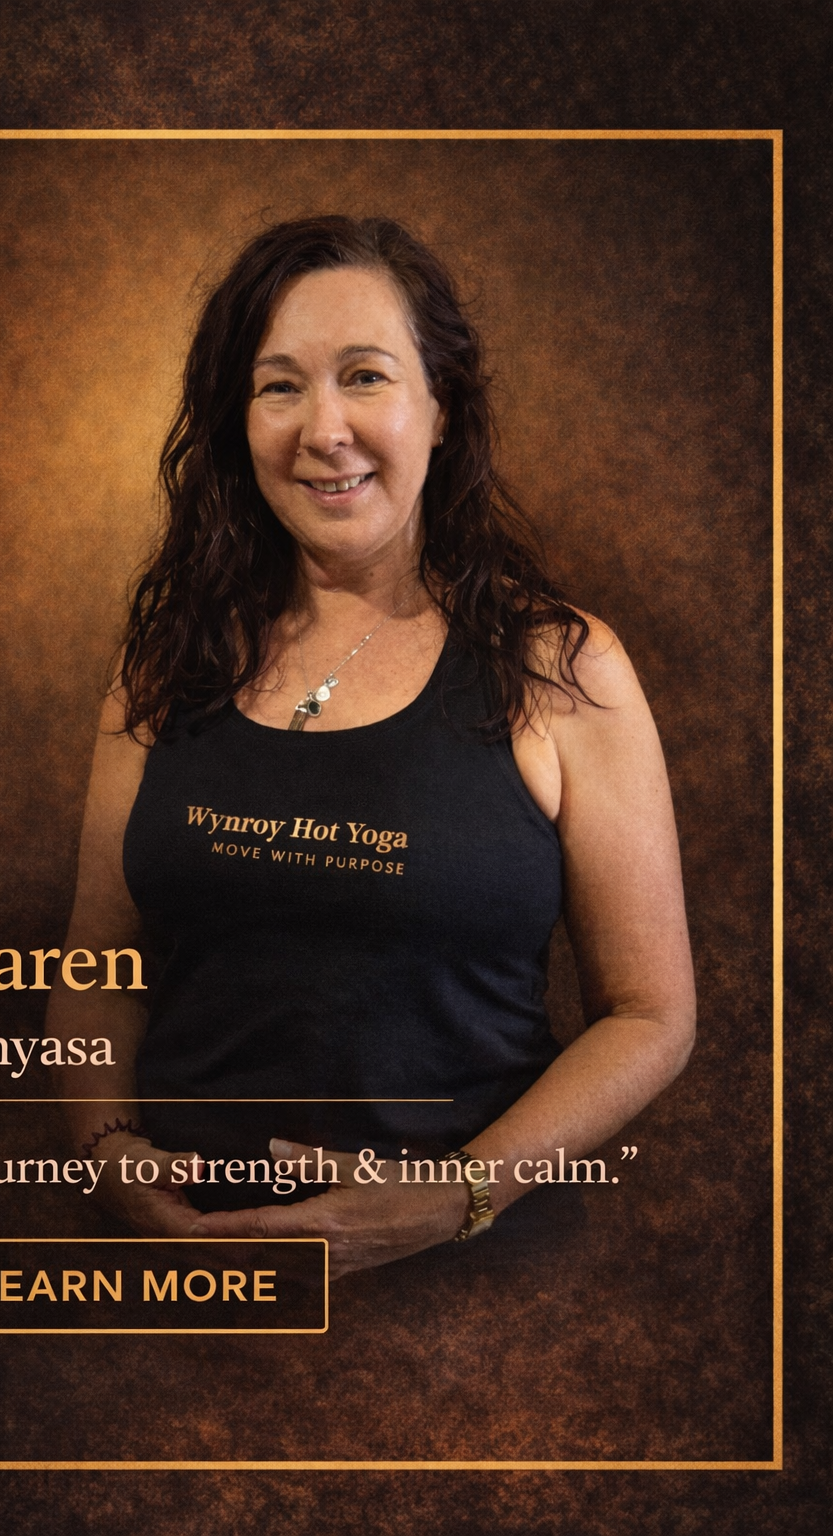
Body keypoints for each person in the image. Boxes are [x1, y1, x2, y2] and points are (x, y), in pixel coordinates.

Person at [46, 215, 695, 1281]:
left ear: (441, 409)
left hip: (468, 1301)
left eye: (364, 376)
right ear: (235, 422)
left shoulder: (559, 667)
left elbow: (651, 1015)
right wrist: (104, 1149)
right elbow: (95, 959)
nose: (323, 429)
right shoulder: (165, 662)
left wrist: (454, 1198)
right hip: (186, 1283)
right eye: (279, 386)